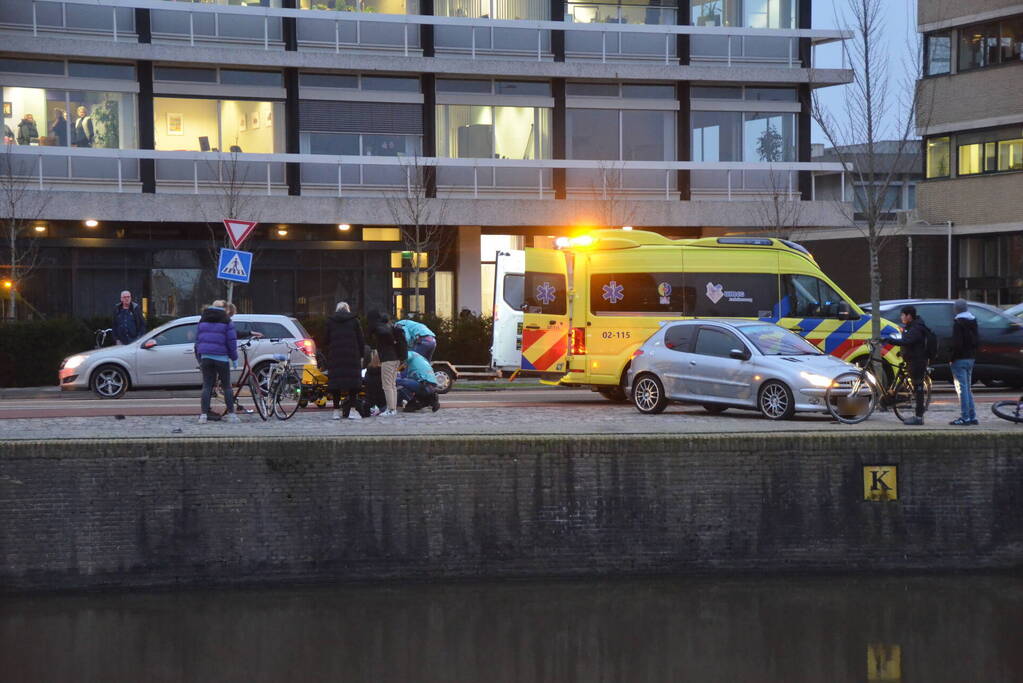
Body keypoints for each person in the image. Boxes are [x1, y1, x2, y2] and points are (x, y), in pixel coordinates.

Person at [885, 305, 933, 426]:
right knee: (916, 387)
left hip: (918, 362)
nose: (901, 317)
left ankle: (918, 417)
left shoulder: (916, 327)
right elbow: (910, 344)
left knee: (918, 388)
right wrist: (901, 352)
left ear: (909, 316)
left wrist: (890, 340)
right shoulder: (910, 326)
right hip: (912, 360)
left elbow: (908, 341)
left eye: (902, 315)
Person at [194, 300, 239, 424]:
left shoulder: (203, 319)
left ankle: (203, 415)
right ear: (224, 309)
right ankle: (231, 414)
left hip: (206, 357)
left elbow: (198, 340)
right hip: (221, 357)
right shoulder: (226, 320)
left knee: (207, 385)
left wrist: (200, 356)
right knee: (227, 386)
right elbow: (231, 341)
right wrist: (234, 358)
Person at [323, 302, 364, 421]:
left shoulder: (330, 321)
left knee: (336, 384)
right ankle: (352, 410)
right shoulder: (355, 321)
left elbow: (325, 339)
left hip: (335, 356)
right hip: (352, 356)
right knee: (353, 385)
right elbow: (361, 339)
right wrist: (361, 355)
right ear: (348, 309)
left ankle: (336, 411)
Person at [949, 299, 979, 426]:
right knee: (967, 388)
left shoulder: (958, 323)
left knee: (962, 389)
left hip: (960, 359)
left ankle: (965, 417)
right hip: (970, 358)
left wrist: (952, 358)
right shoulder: (973, 321)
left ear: (956, 309)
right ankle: (972, 416)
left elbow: (957, 344)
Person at [366, 310, 401, 417]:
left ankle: (390, 409)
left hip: (388, 359)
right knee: (392, 385)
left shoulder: (380, 328)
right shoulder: (388, 327)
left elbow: (382, 335)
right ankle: (393, 408)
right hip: (396, 358)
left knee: (387, 385)